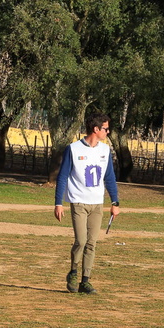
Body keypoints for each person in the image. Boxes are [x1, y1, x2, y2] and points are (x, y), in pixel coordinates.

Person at [54, 113, 120, 295]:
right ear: (96, 129)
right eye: (106, 128)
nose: (108, 132)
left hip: (97, 204)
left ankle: (86, 280)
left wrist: (115, 202)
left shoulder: (105, 150)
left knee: (92, 243)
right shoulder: (73, 149)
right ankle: (73, 273)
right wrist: (58, 203)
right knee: (81, 241)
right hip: (78, 202)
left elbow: (110, 178)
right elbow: (62, 177)